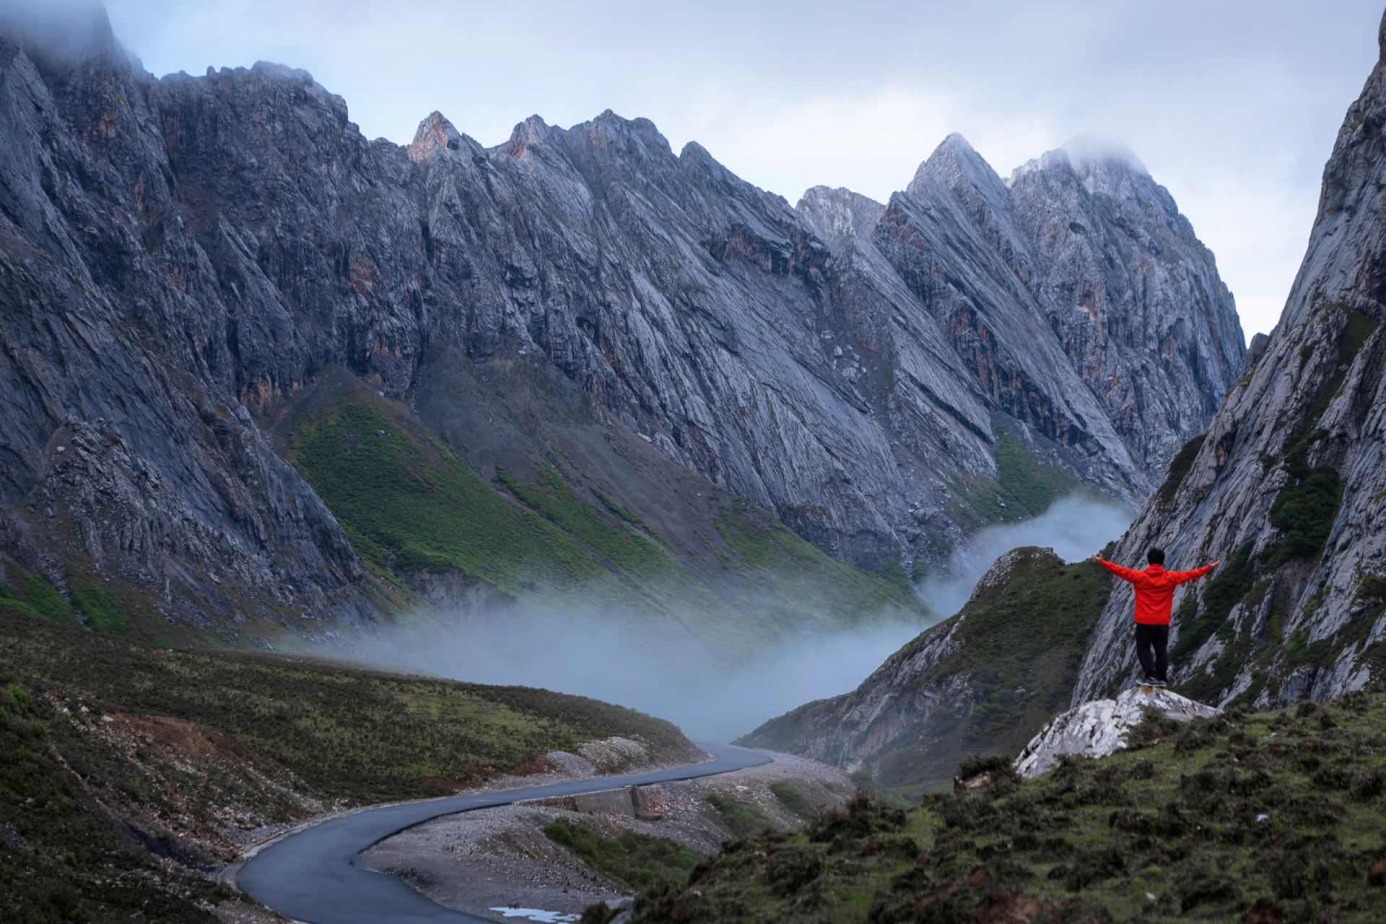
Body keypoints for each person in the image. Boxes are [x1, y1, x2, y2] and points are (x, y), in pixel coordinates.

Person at [1090, 548, 1219, 688]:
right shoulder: (1171, 577)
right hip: (1162, 623)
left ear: (1148, 560)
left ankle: (1150, 675)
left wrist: (1102, 562)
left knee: (1143, 648)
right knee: (1161, 650)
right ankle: (1162, 679)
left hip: (1144, 622)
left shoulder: (1140, 577)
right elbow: (1191, 575)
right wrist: (1208, 568)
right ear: (1163, 561)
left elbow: (1119, 570)